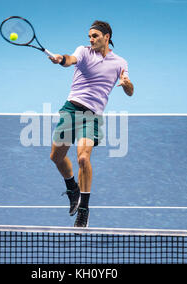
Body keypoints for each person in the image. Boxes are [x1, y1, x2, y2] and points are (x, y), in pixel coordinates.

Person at [49, 20, 134, 227]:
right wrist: (61, 59)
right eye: (89, 36)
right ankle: (72, 189)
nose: (91, 39)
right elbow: (71, 59)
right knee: (56, 157)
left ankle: (84, 209)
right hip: (71, 108)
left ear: (106, 37)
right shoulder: (84, 51)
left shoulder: (120, 62)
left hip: (92, 115)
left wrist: (126, 83)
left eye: (95, 36)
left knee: (83, 158)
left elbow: (130, 91)